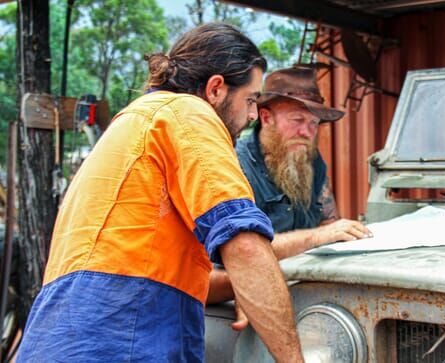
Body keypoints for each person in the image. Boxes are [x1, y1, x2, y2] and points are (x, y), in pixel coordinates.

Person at [17, 24, 304, 363]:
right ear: (215, 89)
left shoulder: (135, 121)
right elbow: (243, 245)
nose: (253, 115)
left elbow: (155, 264)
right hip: (120, 338)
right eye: (251, 100)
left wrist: (245, 288)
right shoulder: (189, 113)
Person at [207, 67, 372, 329]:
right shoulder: (233, 165)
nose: (307, 133)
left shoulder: (311, 161)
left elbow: (332, 227)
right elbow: (240, 256)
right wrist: (317, 238)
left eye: (313, 123)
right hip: (228, 302)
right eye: (297, 120)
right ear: (266, 117)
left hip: (299, 293)